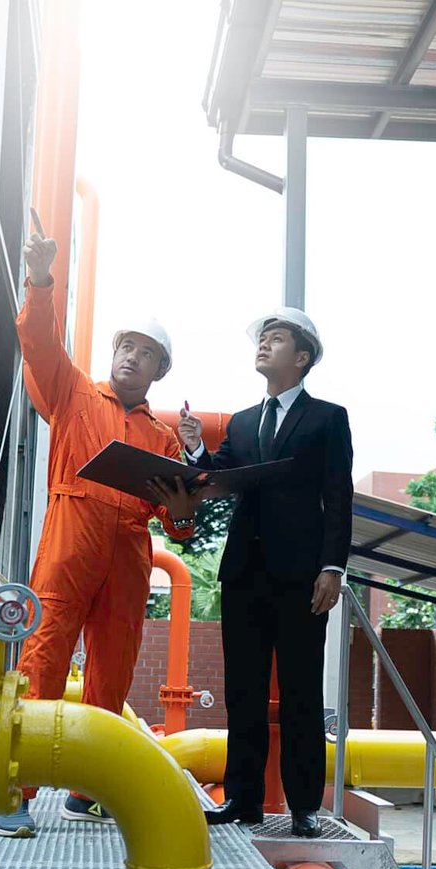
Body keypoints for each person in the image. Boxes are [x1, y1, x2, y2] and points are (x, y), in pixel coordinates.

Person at [0, 225, 198, 838]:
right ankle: (16, 791)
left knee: (112, 671)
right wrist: (41, 280)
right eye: (125, 346)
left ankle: (90, 790)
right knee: (43, 658)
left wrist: (186, 493)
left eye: (145, 353)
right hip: (69, 541)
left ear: (159, 370)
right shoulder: (74, 392)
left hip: (129, 552)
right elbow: (39, 343)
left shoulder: (163, 438)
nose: (131, 356)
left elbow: (179, 530)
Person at [177, 308, 352, 838]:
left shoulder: (328, 418)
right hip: (244, 575)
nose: (263, 345)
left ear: (301, 358)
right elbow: (218, 477)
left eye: (275, 339)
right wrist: (195, 447)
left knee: (301, 692)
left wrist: (332, 568)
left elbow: (338, 497)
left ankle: (304, 807)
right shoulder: (242, 422)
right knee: (243, 690)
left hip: (302, 577)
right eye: (262, 339)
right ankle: (243, 799)